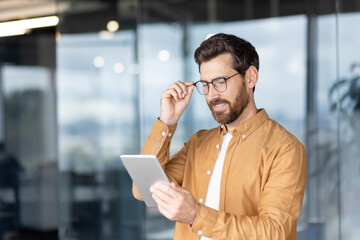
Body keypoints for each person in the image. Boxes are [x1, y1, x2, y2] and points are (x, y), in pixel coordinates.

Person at [133, 33, 307, 240]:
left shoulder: (284, 148)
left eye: (220, 81)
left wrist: (197, 215)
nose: (212, 95)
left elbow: (275, 232)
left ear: (250, 77)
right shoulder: (198, 143)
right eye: (205, 85)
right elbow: (143, 190)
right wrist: (167, 122)